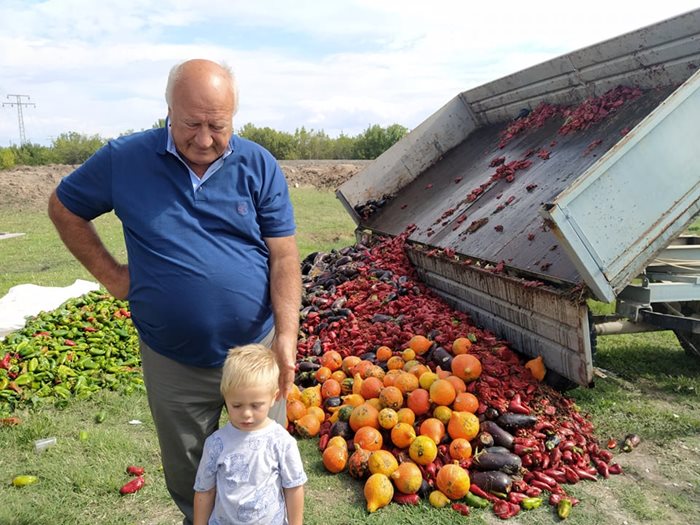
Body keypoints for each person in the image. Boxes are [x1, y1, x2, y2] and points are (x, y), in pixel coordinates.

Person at [47, 59, 302, 525]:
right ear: (167, 109)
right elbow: (64, 207)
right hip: (173, 357)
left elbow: (284, 256)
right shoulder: (124, 160)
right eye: (191, 124)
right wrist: (112, 275)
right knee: (190, 473)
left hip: (254, 351)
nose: (204, 139)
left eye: (217, 126)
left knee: (263, 462)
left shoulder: (258, 164)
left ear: (234, 117)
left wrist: (286, 334)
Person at [193, 344, 306, 525]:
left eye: (256, 405)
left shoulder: (282, 442)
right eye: (237, 405)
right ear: (225, 398)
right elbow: (205, 491)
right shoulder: (216, 443)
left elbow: (293, 487)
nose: (246, 413)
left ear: (273, 397)